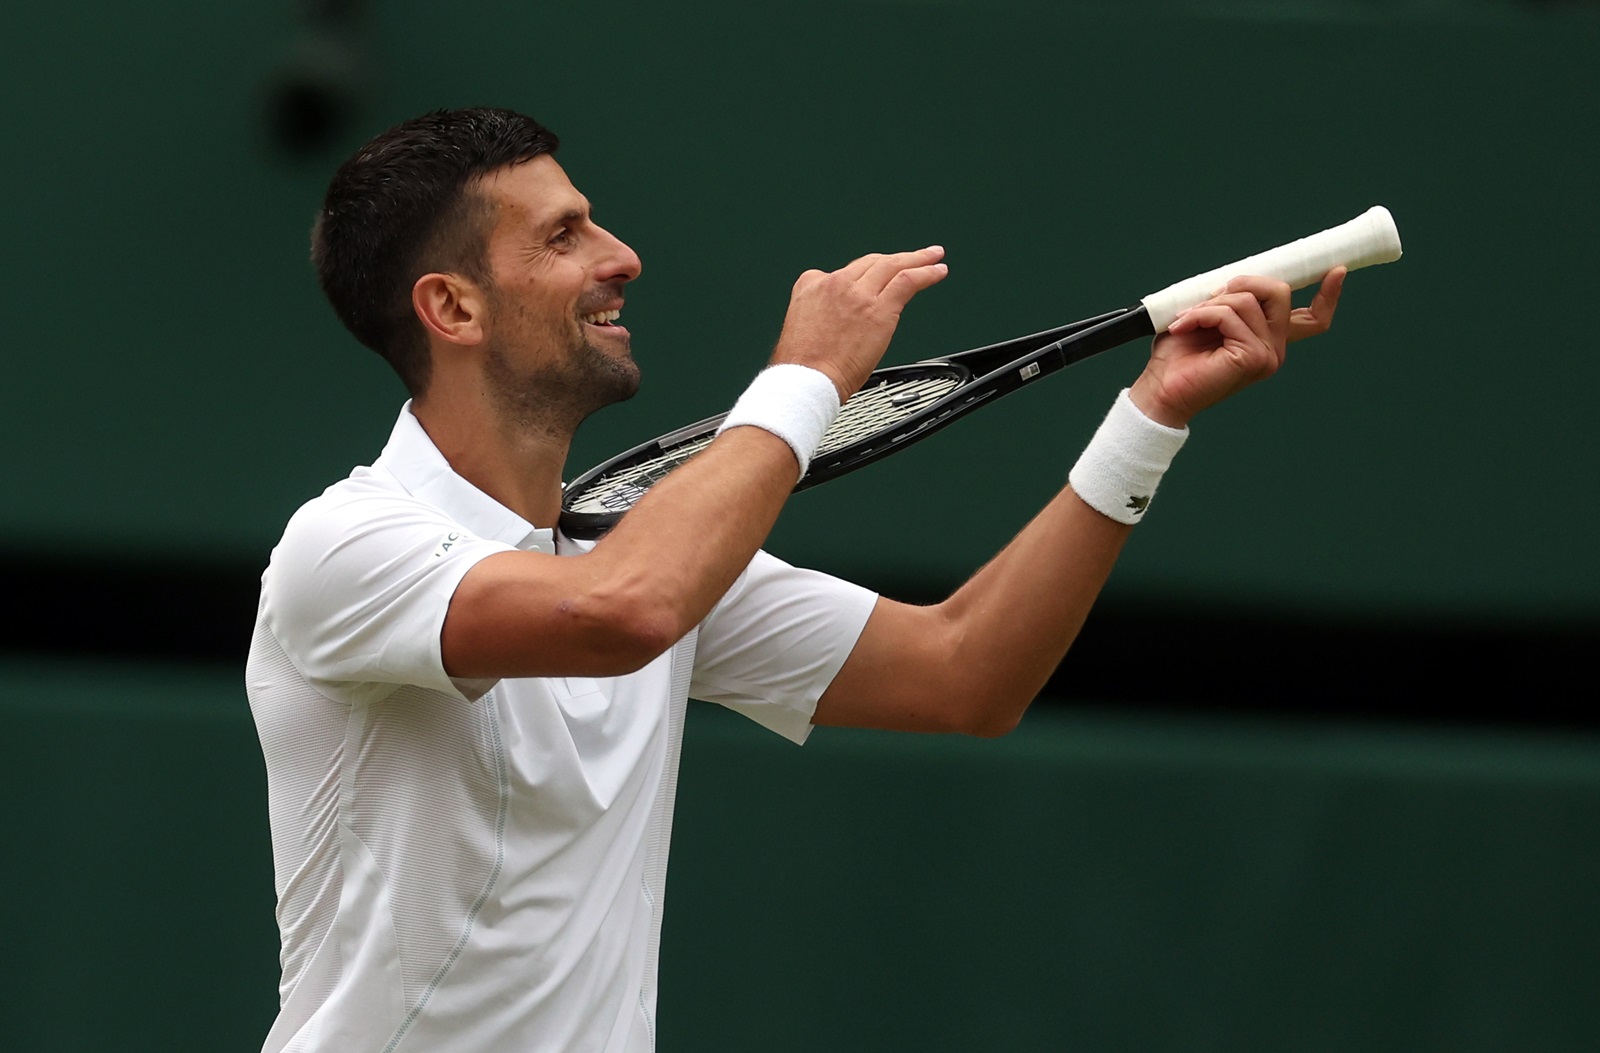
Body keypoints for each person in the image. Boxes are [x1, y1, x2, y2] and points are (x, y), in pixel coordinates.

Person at [246, 106, 1344, 1053]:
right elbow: (626, 610)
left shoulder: (640, 551)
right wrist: (807, 376)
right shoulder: (344, 547)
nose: (621, 255)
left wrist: (1148, 418)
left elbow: (966, 674)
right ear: (454, 309)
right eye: (563, 235)